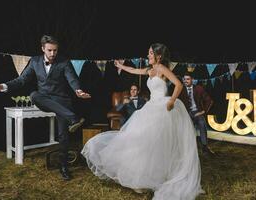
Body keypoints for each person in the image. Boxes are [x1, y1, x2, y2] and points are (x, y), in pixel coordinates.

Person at [81, 43, 204, 199]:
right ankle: (142, 177)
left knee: (156, 143)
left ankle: (158, 176)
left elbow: (178, 85)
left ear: (158, 56)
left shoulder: (162, 69)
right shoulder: (149, 70)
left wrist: (172, 100)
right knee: (141, 140)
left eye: (151, 53)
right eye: (148, 53)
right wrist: (121, 66)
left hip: (162, 108)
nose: (148, 56)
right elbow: (134, 70)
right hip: (151, 107)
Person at [0, 35, 91, 181]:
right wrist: (2, 86)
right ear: (43, 49)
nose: (53, 54)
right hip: (44, 100)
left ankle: (64, 166)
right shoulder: (34, 61)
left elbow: (72, 78)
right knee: (34, 95)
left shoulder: (64, 61)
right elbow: (21, 80)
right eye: (50, 50)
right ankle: (74, 118)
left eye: (55, 50)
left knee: (63, 135)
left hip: (62, 101)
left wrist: (78, 90)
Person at [182, 72, 215, 156]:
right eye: (184, 79)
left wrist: (203, 111)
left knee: (202, 123)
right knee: (187, 128)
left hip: (197, 112)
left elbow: (209, 100)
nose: (186, 81)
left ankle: (204, 147)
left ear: (192, 80)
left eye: (188, 79)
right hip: (186, 113)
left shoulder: (199, 88)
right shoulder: (181, 89)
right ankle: (188, 148)